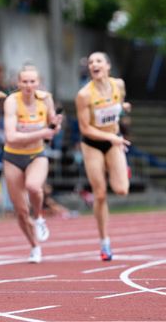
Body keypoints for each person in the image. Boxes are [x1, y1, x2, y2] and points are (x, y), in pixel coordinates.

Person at [2, 64, 61, 263]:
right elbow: (10, 136)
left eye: (32, 81)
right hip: (13, 157)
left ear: (38, 82)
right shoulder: (11, 101)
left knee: (34, 186)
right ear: (18, 83)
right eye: (25, 81)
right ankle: (35, 246)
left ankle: (40, 217)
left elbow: (52, 125)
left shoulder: (46, 99)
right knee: (20, 211)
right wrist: (42, 133)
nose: (29, 85)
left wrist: (55, 124)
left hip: (37, 154)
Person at [75, 52, 130, 261]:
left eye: (98, 61)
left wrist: (123, 108)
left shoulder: (119, 85)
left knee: (122, 190)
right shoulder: (84, 95)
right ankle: (104, 242)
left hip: (113, 139)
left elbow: (120, 102)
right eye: (90, 62)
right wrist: (111, 138)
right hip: (93, 144)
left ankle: (116, 166)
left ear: (107, 65)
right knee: (100, 194)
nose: (93, 65)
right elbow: (85, 128)